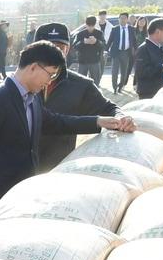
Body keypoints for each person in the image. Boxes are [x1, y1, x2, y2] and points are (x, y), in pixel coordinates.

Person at [0, 41, 135, 218]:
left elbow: (56, 122)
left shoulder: (33, 98)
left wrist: (99, 121)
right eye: (51, 74)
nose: (49, 82)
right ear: (33, 67)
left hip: (24, 192)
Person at [36, 23, 118, 171]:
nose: (53, 53)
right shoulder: (19, 85)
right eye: (48, 47)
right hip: (19, 169)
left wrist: (121, 118)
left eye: (60, 48)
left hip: (58, 166)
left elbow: (109, 108)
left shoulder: (80, 85)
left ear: (67, 50)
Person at [134, 18, 163, 100]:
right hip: (149, 93)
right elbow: (141, 72)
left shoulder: (161, 46)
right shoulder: (143, 49)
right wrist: (162, 67)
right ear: (158, 32)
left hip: (161, 90)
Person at [108, 11, 137, 93]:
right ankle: (114, 87)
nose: (122, 20)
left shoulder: (131, 29)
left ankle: (120, 86)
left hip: (126, 53)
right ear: (119, 19)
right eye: (120, 18)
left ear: (127, 19)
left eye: (124, 18)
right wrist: (106, 50)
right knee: (114, 71)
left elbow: (134, 41)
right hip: (116, 52)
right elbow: (110, 40)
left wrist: (137, 50)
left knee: (124, 72)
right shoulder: (115, 29)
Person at [72, 16, 107, 85]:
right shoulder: (80, 34)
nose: (90, 28)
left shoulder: (99, 33)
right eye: (89, 26)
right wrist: (83, 42)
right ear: (86, 24)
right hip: (83, 61)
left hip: (95, 61)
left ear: (95, 24)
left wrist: (96, 41)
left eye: (92, 26)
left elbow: (104, 46)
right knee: (81, 82)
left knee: (96, 81)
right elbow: (74, 46)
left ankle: (94, 92)